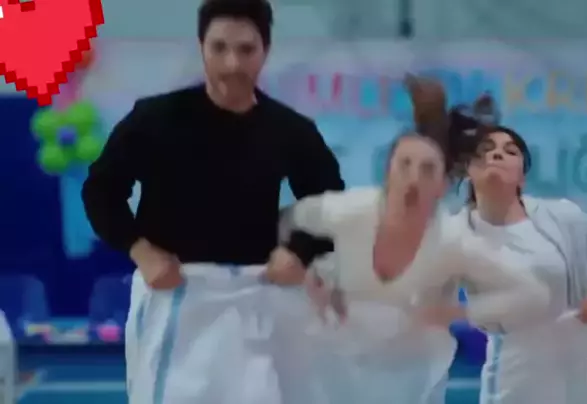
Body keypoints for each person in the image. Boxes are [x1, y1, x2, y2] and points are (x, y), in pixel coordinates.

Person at [81, 0, 344, 402]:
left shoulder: (289, 130)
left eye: (246, 49)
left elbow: (330, 203)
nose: (232, 64)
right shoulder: (156, 118)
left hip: (258, 298)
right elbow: (100, 191)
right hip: (172, 293)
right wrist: (140, 250)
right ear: (201, 46)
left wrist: (300, 252)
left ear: (266, 50)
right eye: (219, 48)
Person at [274, 76, 551, 404]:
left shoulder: (454, 239)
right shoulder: (353, 212)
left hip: (416, 376)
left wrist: (456, 312)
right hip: (341, 370)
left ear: (443, 183)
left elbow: (531, 293)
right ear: (387, 174)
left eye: (427, 171)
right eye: (404, 166)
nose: (413, 181)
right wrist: (303, 263)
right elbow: (285, 223)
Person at [438, 93, 587, 404]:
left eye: (510, 151)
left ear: (522, 176)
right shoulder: (455, 234)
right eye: (486, 150)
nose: (497, 154)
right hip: (517, 378)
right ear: (469, 169)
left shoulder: (562, 215)